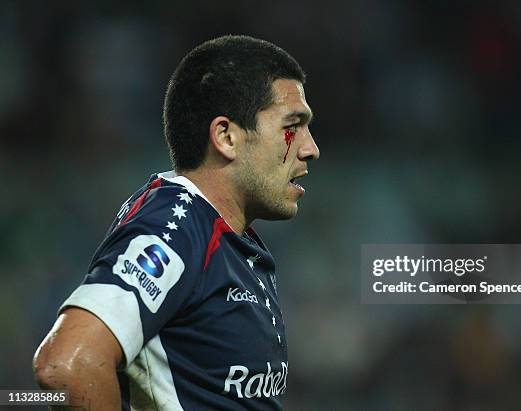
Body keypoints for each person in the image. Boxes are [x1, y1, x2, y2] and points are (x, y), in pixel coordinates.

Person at [33, 35, 319, 410]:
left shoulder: (229, 240)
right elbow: (67, 365)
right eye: (291, 126)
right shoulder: (176, 225)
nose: (309, 147)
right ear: (226, 137)